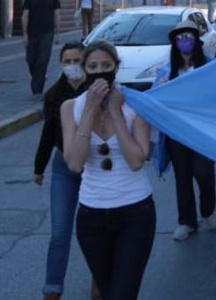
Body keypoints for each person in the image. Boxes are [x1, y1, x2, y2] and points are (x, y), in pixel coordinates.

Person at [61, 42, 154, 300]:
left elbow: (137, 160)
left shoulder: (134, 106)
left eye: (106, 66)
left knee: (123, 294)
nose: (99, 72)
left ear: (116, 68)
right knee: (106, 291)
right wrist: (91, 108)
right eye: (92, 67)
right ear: (84, 70)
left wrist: (114, 111)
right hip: (92, 216)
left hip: (135, 212)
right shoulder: (71, 108)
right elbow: (75, 163)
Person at [33, 42, 93, 300]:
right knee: (59, 233)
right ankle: (52, 289)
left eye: (77, 60)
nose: (72, 66)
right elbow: (48, 132)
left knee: (94, 232)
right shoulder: (55, 94)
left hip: (93, 169)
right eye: (67, 61)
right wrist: (39, 167)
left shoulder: (98, 90)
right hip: (63, 167)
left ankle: (99, 281)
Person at [153, 21, 216, 241]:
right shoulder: (167, 71)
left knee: (203, 173)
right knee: (182, 177)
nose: (184, 41)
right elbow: (154, 97)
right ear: (173, 42)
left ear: (196, 40)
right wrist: (160, 87)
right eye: (179, 38)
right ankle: (186, 221)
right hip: (176, 133)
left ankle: (208, 210)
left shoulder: (207, 66)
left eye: (188, 36)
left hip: (201, 132)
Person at [23, 0, 62, 100]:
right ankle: (38, 77)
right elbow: (25, 15)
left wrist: (57, 34)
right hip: (32, 33)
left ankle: (37, 90)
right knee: (30, 60)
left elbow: (57, 15)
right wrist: (24, 34)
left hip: (47, 33)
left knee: (42, 61)